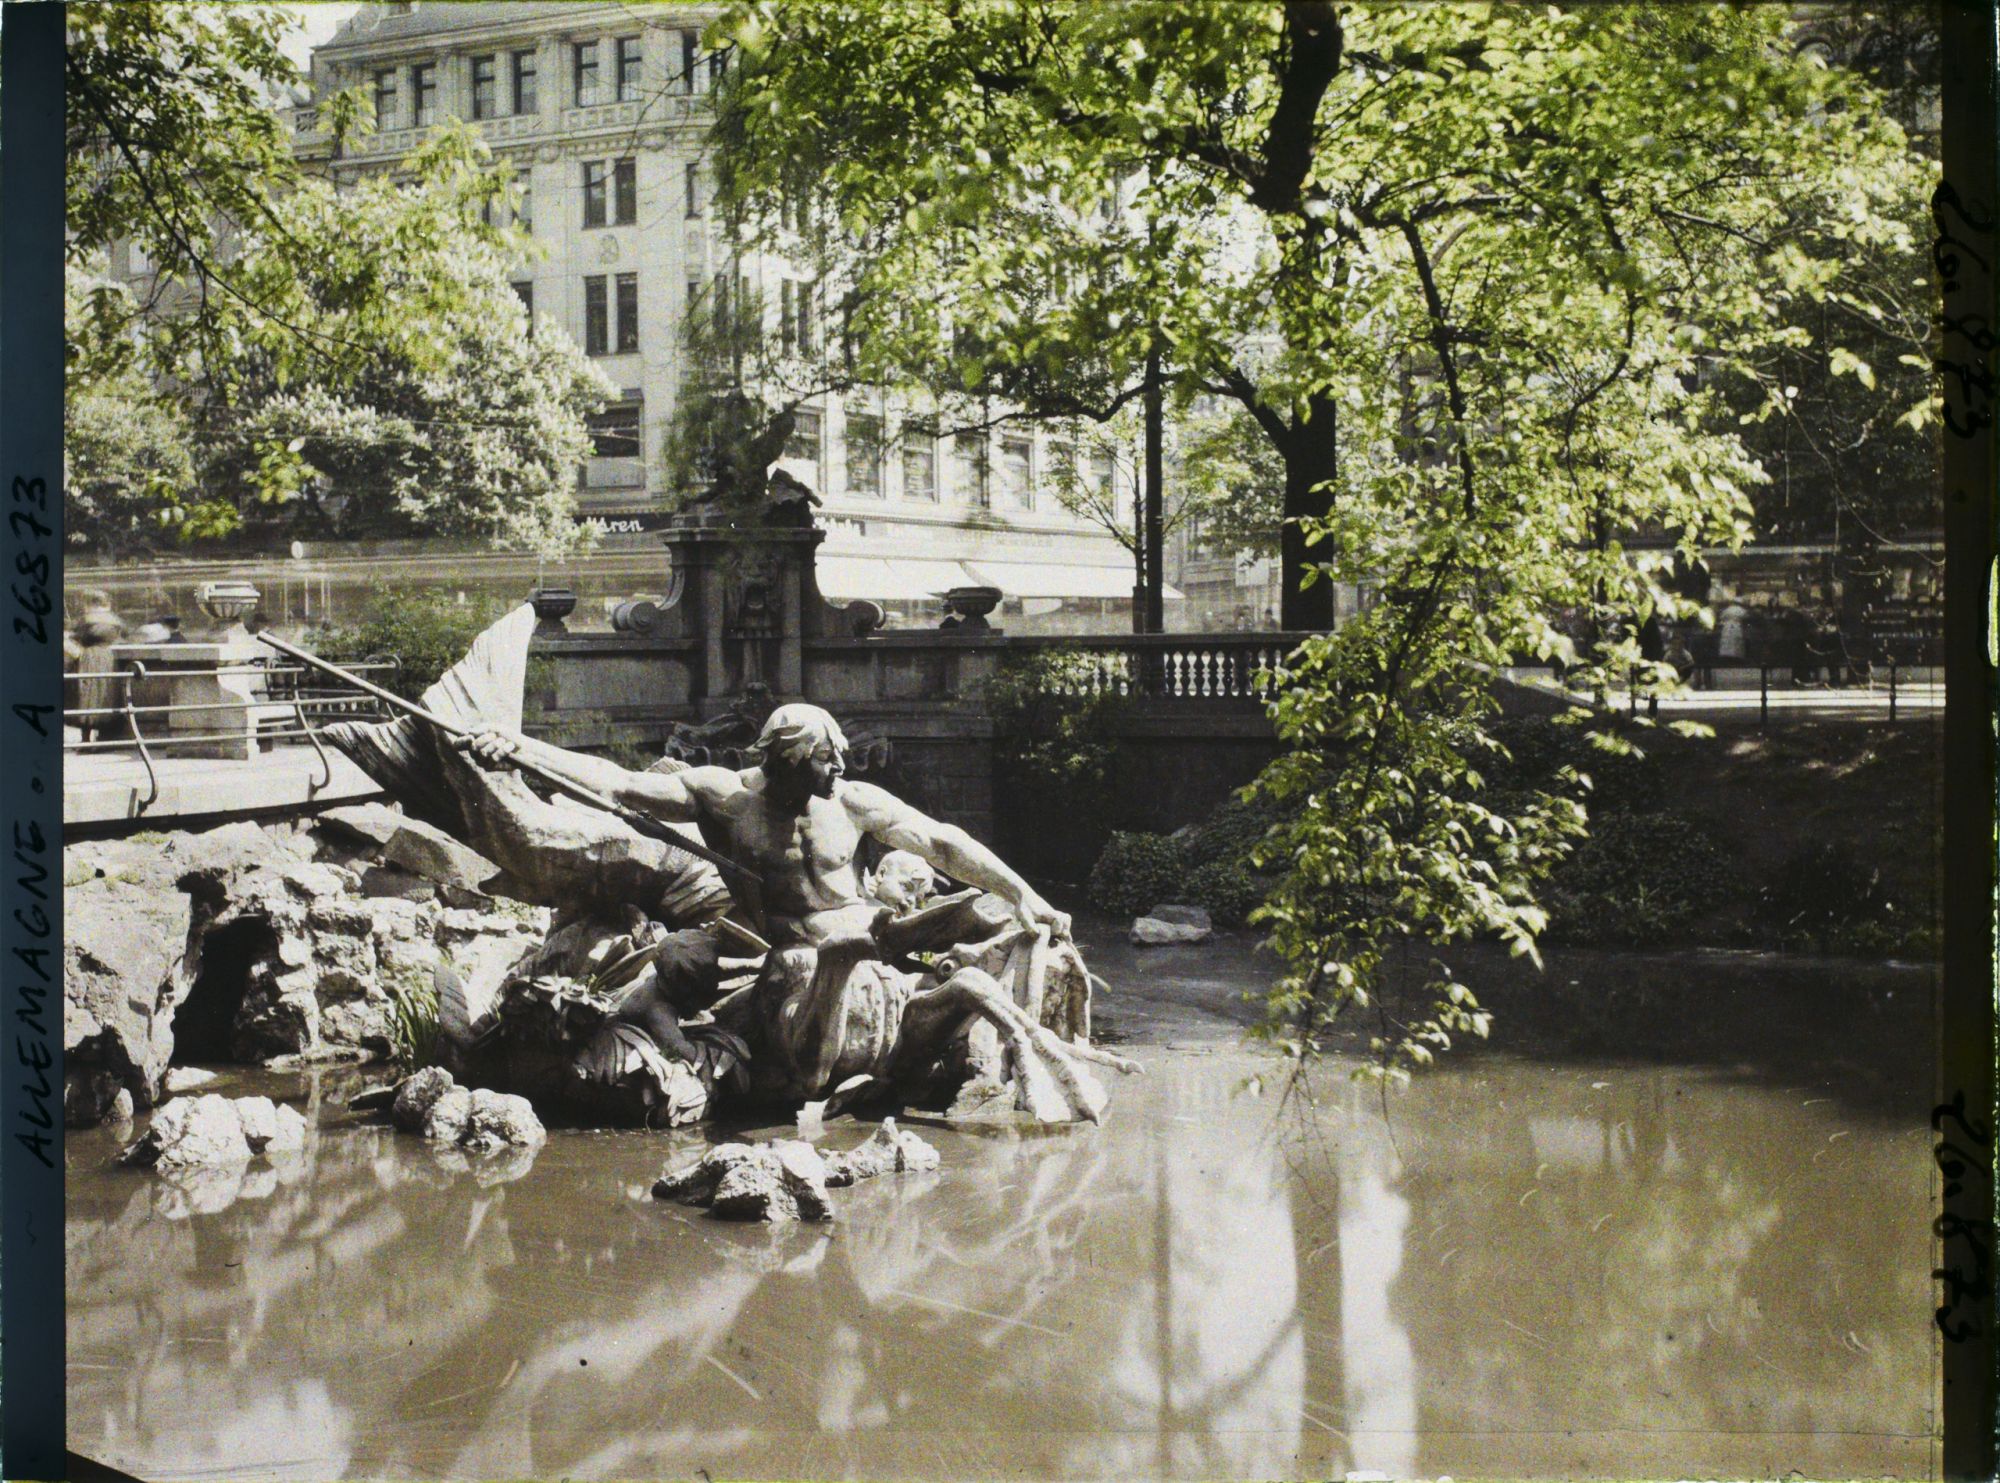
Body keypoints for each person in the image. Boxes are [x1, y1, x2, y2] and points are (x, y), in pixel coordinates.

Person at [458, 702, 1129, 1121]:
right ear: (789, 762)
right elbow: (620, 781)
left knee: (987, 917)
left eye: (839, 757)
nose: (841, 766)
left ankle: (1028, 1049)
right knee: (809, 1055)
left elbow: (940, 840)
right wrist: (519, 748)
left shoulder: (852, 801)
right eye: (826, 760)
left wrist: (1023, 892)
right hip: (798, 967)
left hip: (879, 951)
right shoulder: (728, 802)